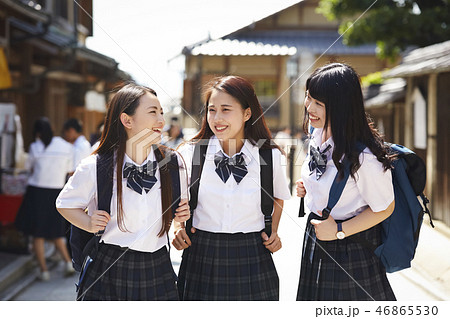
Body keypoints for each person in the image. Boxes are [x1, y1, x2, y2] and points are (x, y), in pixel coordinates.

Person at [56, 83, 190, 301]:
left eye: (161, 113)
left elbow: (178, 212)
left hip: (158, 265)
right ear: (127, 120)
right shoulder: (96, 165)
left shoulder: (173, 164)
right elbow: (64, 203)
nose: (161, 121)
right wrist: (88, 222)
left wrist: (179, 220)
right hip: (108, 265)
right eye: (153, 112)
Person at [173, 75, 291, 300]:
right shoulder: (190, 153)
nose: (217, 118)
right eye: (211, 110)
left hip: (253, 254)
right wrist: (178, 228)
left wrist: (273, 231)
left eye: (226, 109)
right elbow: (179, 200)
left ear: (247, 114)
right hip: (201, 254)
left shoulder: (269, 156)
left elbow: (278, 197)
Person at [295, 63, 396, 301]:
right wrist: (308, 187)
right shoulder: (317, 136)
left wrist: (339, 231)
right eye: (308, 98)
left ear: (341, 107)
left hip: (349, 248)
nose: (309, 107)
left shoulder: (364, 158)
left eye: (319, 103)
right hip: (317, 238)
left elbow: (385, 208)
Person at [15, 117, 75, 281]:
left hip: (37, 192)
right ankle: (68, 263)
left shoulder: (35, 146)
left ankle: (44, 271)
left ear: (38, 133)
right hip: (57, 191)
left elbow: (28, 167)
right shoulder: (66, 147)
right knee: (56, 231)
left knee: (37, 234)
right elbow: (69, 171)